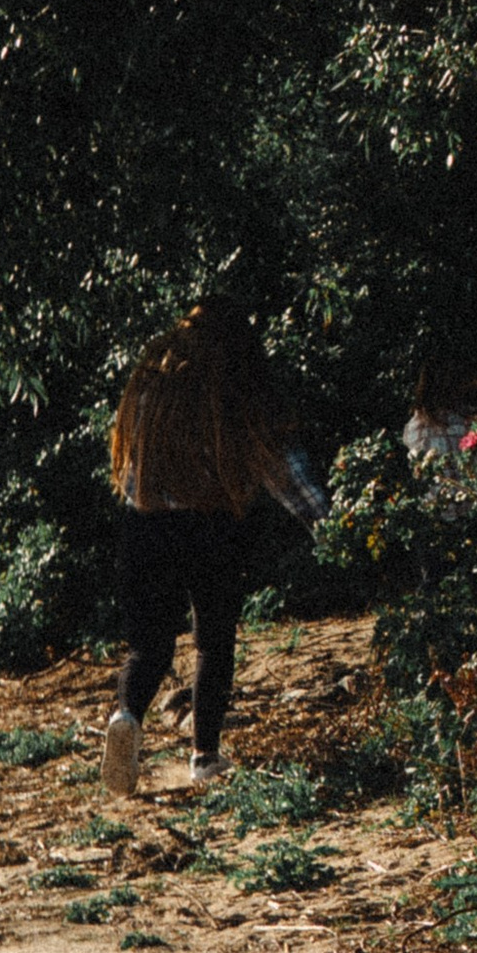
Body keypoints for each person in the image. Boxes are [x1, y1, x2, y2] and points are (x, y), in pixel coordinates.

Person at [103, 301, 326, 797]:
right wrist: (332, 527)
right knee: (213, 643)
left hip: (146, 524)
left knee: (150, 647)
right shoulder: (236, 388)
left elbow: (132, 467)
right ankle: (204, 755)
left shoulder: (152, 380)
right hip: (212, 527)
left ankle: (126, 715)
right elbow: (282, 467)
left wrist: (139, 507)